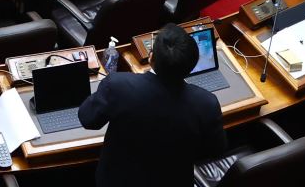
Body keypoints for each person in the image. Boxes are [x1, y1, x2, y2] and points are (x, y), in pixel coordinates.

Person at [76, 22, 223, 187]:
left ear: (151, 57)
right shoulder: (207, 103)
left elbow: (87, 119)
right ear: (192, 65)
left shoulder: (118, 85)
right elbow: (214, 150)